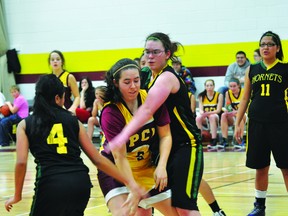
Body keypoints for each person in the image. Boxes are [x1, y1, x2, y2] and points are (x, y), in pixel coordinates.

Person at [4, 74, 144, 216]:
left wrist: (17, 195)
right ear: (57, 98)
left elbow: (21, 162)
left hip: (50, 184)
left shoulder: (25, 124)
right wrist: (129, 182)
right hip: (80, 183)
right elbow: (97, 159)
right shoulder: (73, 120)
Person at [108, 32, 203, 216]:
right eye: (147, 52)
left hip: (185, 145)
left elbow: (147, 110)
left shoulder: (167, 77)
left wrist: (122, 136)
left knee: (184, 206)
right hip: (161, 145)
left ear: (167, 54)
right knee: (153, 202)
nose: (150, 57)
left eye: (155, 52)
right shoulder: (146, 75)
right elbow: (121, 82)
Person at [97, 58, 178, 216]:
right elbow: (119, 156)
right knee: (126, 213)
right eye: (127, 82)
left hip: (145, 167)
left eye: (136, 80)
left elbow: (166, 135)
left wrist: (162, 166)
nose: (133, 86)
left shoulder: (150, 98)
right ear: (116, 83)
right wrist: (132, 186)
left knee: (175, 213)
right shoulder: (111, 112)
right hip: (115, 170)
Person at [234, 31, 288, 216]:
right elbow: (245, 98)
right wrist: (239, 121)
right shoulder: (253, 69)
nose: (265, 47)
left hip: (281, 124)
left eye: (269, 44)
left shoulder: (285, 68)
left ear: (277, 48)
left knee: (286, 167)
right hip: (257, 124)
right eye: (262, 44)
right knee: (260, 167)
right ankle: (260, 206)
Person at [49, 50, 80, 114]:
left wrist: (73, 108)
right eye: (52, 59)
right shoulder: (48, 78)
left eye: (58, 59)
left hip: (66, 111)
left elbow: (77, 96)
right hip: (52, 112)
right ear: (50, 63)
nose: (55, 61)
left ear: (62, 62)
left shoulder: (69, 77)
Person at [219, 78, 246, 149]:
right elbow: (228, 106)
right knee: (223, 115)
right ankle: (224, 140)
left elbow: (247, 107)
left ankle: (240, 140)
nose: (232, 88)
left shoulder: (244, 92)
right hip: (234, 114)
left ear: (239, 86)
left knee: (239, 116)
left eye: (234, 86)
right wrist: (229, 111)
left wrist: (237, 112)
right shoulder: (228, 93)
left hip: (244, 114)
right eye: (230, 86)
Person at [196, 79, 223, 149]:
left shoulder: (219, 95)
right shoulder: (201, 96)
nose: (209, 87)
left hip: (216, 116)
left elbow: (218, 110)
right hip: (206, 117)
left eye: (211, 85)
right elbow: (201, 110)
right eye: (207, 85)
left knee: (212, 116)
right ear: (205, 87)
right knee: (198, 117)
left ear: (214, 86)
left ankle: (214, 139)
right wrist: (203, 114)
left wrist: (208, 113)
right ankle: (200, 138)